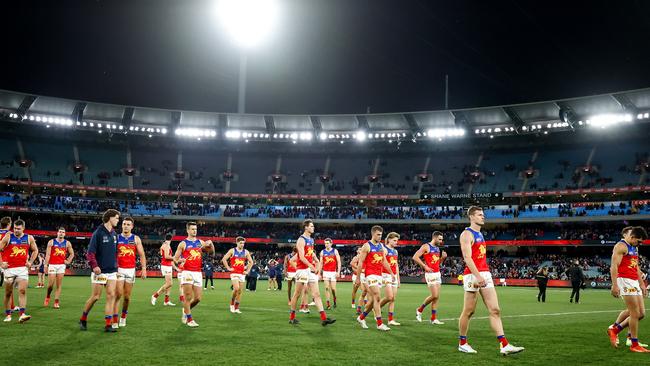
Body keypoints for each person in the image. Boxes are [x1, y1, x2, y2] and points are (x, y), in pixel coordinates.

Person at [457, 206, 524, 355]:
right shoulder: (466, 234)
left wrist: (484, 274)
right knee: (469, 311)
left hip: (484, 273)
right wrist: (478, 276)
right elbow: (467, 258)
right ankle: (462, 343)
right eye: (480, 215)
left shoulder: (480, 234)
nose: (483, 217)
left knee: (495, 309)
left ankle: (504, 344)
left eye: (483, 215)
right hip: (472, 274)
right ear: (471, 217)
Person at [607, 226, 649, 352]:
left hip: (634, 281)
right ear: (632, 237)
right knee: (634, 313)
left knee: (641, 313)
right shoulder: (621, 246)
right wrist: (614, 285)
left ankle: (615, 329)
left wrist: (642, 283)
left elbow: (635, 267)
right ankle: (634, 344)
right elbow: (614, 266)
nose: (639, 244)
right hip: (625, 281)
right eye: (639, 241)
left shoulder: (634, 247)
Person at [79, 209, 120, 332]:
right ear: (110, 218)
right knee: (96, 296)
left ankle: (108, 324)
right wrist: (95, 266)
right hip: (100, 272)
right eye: (117, 218)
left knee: (111, 295)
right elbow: (90, 253)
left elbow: (115, 253)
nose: (118, 220)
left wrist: (116, 266)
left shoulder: (114, 234)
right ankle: (83, 318)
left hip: (112, 271)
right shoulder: (98, 233)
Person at [288, 219, 335, 326]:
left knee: (317, 294)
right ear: (306, 227)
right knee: (297, 294)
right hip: (302, 270)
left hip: (309, 270)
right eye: (311, 226)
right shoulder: (301, 240)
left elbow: (311, 254)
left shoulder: (311, 240)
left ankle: (324, 319)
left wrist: (317, 261)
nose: (313, 228)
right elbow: (301, 256)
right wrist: (311, 266)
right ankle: (292, 317)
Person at [173, 222, 214, 328]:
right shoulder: (183, 243)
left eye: (195, 229)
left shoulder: (200, 242)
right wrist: (180, 260)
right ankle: (190, 319)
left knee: (198, 298)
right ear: (187, 230)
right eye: (192, 229)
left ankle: (185, 310)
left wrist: (211, 244)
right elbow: (175, 259)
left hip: (198, 272)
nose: (194, 231)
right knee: (187, 297)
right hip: (187, 272)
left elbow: (211, 253)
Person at [355, 225, 394, 331]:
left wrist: (391, 273)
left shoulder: (381, 246)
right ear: (373, 234)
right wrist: (358, 278)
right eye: (378, 234)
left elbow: (384, 261)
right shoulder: (366, 246)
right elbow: (360, 263)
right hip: (370, 274)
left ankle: (361, 317)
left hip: (379, 274)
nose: (380, 236)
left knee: (372, 300)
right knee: (377, 296)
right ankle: (379, 323)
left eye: (381, 234)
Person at [0, 219, 38, 323]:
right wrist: (1, 263)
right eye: (15, 228)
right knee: (8, 293)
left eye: (18, 229)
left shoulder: (29, 238)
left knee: (22, 291)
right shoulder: (8, 237)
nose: (16, 230)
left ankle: (22, 314)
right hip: (9, 269)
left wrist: (30, 262)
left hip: (22, 269)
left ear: (23, 228)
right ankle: (8, 315)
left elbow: (35, 250)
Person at [113, 217, 147, 328]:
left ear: (132, 226)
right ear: (121, 225)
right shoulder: (116, 238)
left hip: (131, 270)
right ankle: (114, 320)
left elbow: (141, 254)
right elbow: (111, 253)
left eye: (128, 224)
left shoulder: (136, 239)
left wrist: (143, 268)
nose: (126, 226)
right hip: (119, 270)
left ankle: (123, 317)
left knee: (127, 297)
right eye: (124, 224)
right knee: (118, 294)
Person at [413, 231, 447, 325]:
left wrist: (443, 258)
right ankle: (419, 310)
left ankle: (433, 318)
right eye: (440, 239)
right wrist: (425, 266)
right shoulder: (426, 246)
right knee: (434, 295)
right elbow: (415, 257)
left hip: (437, 273)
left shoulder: (437, 249)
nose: (441, 241)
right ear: (435, 238)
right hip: (430, 274)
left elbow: (437, 263)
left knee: (436, 298)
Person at [43, 227, 74, 309]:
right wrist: (46, 265)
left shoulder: (67, 243)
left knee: (59, 285)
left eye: (63, 232)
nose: (61, 233)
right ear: (57, 233)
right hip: (52, 265)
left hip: (61, 265)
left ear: (65, 234)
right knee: (50, 285)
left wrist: (68, 261)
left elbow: (72, 254)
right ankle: (48, 296)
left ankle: (56, 301)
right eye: (60, 232)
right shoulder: (51, 242)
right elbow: (48, 255)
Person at [222, 236, 253, 314]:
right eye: (241, 243)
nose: (242, 244)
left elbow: (251, 262)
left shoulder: (246, 252)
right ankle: (232, 304)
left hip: (242, 273)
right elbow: (224, 259)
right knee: (236, 288)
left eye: (243, 243)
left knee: (239, 291)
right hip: (234, 273)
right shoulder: (232, 251)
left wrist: (248, 270)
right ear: (237, 243)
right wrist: (228, 268)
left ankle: (237, 308)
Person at [380, 232, 401, 326]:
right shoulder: (384, 249)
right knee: (389, 297)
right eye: (394, 240)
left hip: (394, 276)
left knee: (393, 299)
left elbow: (396, 265)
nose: (396, 242)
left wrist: (398, 279)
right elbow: (382, 263)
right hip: (386, 275)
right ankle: (377, 307)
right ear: (389, 240)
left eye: (397, 240)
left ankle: (390, 320)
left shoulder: (395, 251)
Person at [151, 234, 177, 306]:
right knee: (169, 283)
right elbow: (166, 256)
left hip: (167, 265)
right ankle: (155, 295)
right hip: (166, 266)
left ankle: (166, 301)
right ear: (171, 239)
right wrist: (175, 258)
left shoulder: (164, 245)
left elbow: (163, 255)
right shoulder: (166, 245)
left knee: (169, 284)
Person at [319, 238, 341, 310]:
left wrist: (338, 272)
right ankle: (328, 304)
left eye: (328, 243)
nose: (326, 245)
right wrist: (319, 273)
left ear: (331, 243)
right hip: (326, 272)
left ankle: (334, 299)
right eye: (325, 243)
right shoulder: (322, 252)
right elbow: (321, 263)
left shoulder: (335, 251)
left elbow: (339, 262)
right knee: (326, 288)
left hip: (333, 272)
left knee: (333, 289)